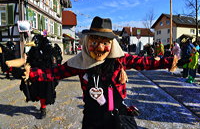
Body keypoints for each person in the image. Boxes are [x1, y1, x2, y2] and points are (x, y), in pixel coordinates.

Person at [7, 16, 179, 128]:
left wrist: (168, 61)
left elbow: (144, 62)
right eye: (94, 41)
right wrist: (32, 73)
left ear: (112, 44)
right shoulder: (80, 62)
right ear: (87, 41)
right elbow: (54, 73)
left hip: (117, 114)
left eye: (105, 42)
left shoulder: (120, 59)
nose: (99, 47)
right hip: (92, 117)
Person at [20, 35, 59, 119]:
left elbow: (54, 64)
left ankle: (43, 109)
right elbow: (29, 62)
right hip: (36, 76)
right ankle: (42, 108)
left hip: (46, 77)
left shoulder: (49, 50)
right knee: (37, 92)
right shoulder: (33, 51)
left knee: (44, 93)